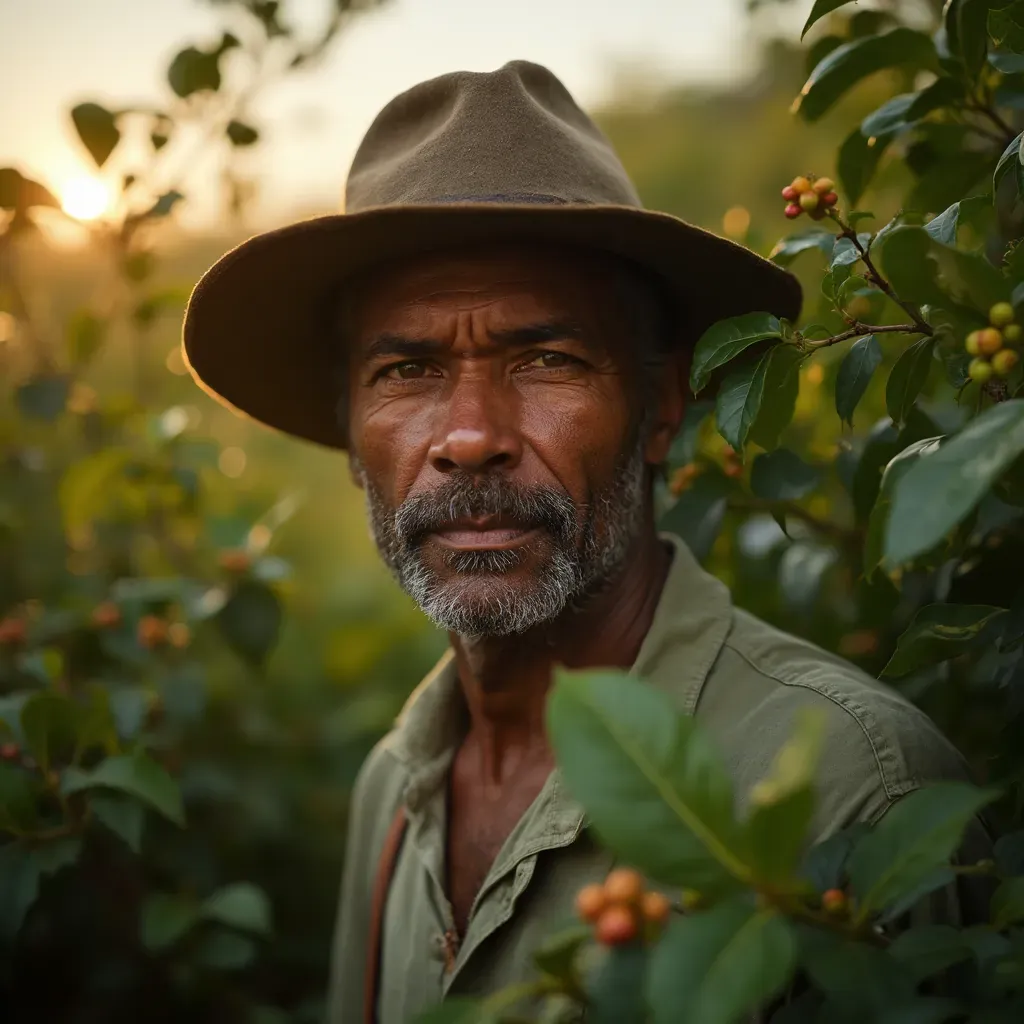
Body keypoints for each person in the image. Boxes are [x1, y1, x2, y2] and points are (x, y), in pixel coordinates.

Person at [182, 61, 991, 1024]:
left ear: (661, 409)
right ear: (353, 440)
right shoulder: (393, 791)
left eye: (547, 360)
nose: (471, 436)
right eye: (408, 368)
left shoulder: (856, 793)